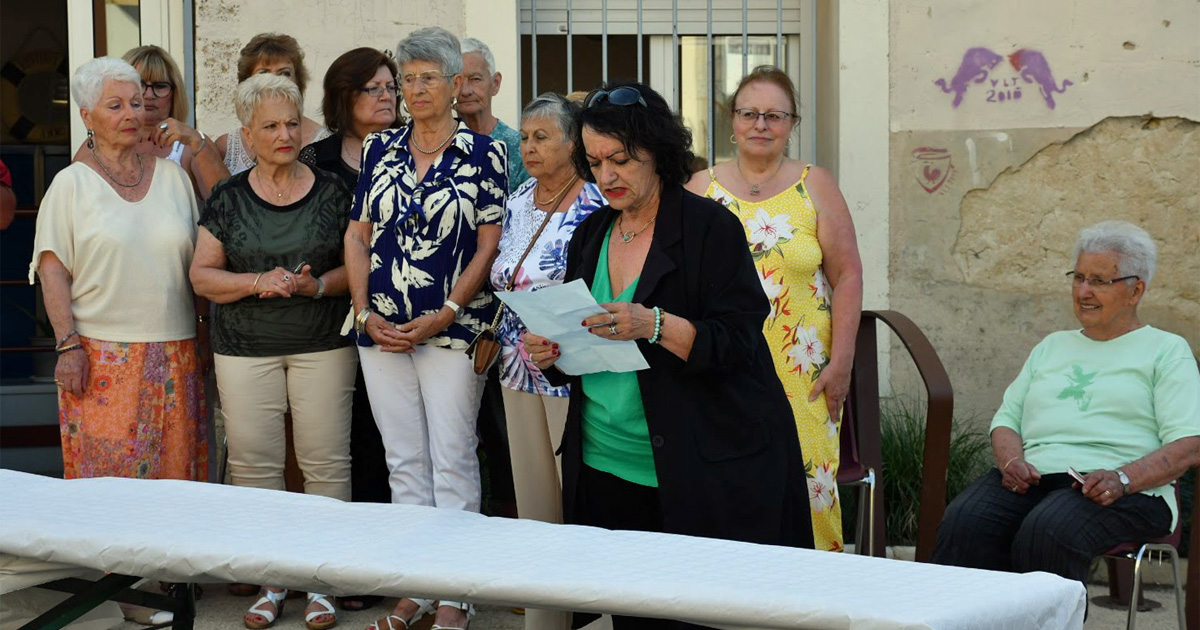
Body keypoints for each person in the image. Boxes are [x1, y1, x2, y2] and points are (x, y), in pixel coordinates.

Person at [523, 81, 813, 630]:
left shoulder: (710, 229)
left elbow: (739, 343)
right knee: (631, 614)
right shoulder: (592, 232)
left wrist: (655, 325)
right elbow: (585, 338)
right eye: (595, 162)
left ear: (656, 152)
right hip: (603, 463)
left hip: (692, 468)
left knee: (693, 615)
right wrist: (551, 351)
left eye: (621, 160)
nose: (607, 176)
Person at [344, 27, 507, 630]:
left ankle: (455, 594)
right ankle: (414, 587)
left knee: (454, 458)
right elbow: (357, 235)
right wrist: (364, 311)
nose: (414, 90)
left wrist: (449, 310)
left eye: (428, 78)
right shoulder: (379, 147)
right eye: (406, 79)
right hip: (381, 329)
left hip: (452, 329)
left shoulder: (486, 153)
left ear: (455, 83)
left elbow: (488, 244)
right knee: (404, 461)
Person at [932, 220, 1200, 587]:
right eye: (1079, 277)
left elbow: (1188, 444)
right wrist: (1011, 462)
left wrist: (1122, 478)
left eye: (1099, 281)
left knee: (1049, 529)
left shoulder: (1166, 351)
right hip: (1034, 480)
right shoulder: (1052, 346)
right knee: (965, 521)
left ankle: (1046, 617)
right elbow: (1007, 420)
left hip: (1125, 489)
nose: (1084, 291)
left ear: (1136, 290)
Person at [190, 73, 356, 630]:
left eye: (291, 123)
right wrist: (257, 280)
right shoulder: (228, 196)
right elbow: (202, 276)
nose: (285, 135)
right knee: (254, 466)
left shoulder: (334, 191)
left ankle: (323, 582)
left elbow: (357, 266)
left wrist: (317, 285)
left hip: (322, 344)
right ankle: (272, 580)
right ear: (247, 134)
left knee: (325, 464)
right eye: (270, 127)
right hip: (245, 350)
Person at [685, 65, 862, 552]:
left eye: (774, 115)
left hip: (803, 373)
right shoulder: (698, 189)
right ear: (732, 119)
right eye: (749, 113)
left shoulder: (816, 185)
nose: (760, 124)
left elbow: (848, 275)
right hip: (721, 372)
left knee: (809, 493)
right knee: (730, 491)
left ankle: (814, 592)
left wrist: (842, 362)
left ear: (792, 124)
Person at [29, 56, 208, 481]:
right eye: (115, 105)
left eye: (136, 103)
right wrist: (67, 348)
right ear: (86, 116)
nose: (131, 113)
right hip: (99, 360)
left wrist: (203, 333)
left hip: (176, 354)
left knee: (177, 485)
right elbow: (52, 271)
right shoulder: (71, 184)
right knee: (108, 488)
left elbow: (197, 265)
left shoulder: (174, 178)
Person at [488, 93, 604, 630]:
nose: (528, 147)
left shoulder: (595, 202)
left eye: (542, 137)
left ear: (573, 142)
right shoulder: (518, 199)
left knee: (574, 495)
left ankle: (589, 613)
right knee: (533, 496)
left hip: (570, 364)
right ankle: (544, 619)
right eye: (525, 138)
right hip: (517, 363)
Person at [298, 45, 401, 613]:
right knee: (350, 442)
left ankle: (407, 568)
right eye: (372, 88)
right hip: (332, 321)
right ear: (345, 96)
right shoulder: (316, 158)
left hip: (405, 318)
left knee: (399, 444)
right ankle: (354, 568)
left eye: (391, 87)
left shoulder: (414, 147)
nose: (387, 96)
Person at [70, 46, 230, 199]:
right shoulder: (95, 146)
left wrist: (196, 141)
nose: (148, 95)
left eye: (160, 86)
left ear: (175, 93)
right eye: (140, 84)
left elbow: (229, 206)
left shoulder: (189, 144)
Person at [217, 33, 330, 175]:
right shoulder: (226, 147)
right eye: (264, 73)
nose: (275, 81)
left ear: (298, 81)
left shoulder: (326, 144)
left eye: (285, 73)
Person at [456, 38, 529, 193]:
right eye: (458, 81)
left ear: (495, 83)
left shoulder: (518, 148)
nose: (465, 91)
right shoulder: (438, 145)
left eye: (475, 79)